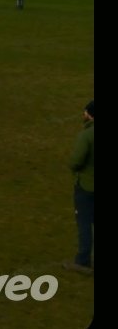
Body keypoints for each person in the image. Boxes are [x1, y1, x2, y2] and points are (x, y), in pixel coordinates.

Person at [63, 100, 94, 275]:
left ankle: (83, 261)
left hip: (87, 186)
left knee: (84, 224)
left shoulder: (86, 135)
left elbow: (75, 161)